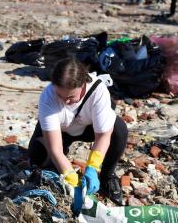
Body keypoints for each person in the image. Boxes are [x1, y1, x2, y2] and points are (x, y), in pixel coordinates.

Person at [27, 57, 128, 205]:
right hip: (61, 132)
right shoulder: (48, 96)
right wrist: (69, 174)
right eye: (60, 95)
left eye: (70, 97)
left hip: (88, 129)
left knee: (119, 130)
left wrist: (92, 167)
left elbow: (103, 135)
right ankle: (56, 174)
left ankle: (107, 177)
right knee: (37, 157)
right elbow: (55, 148)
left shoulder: (98, 91)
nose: (65, 102)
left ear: (82, 85)